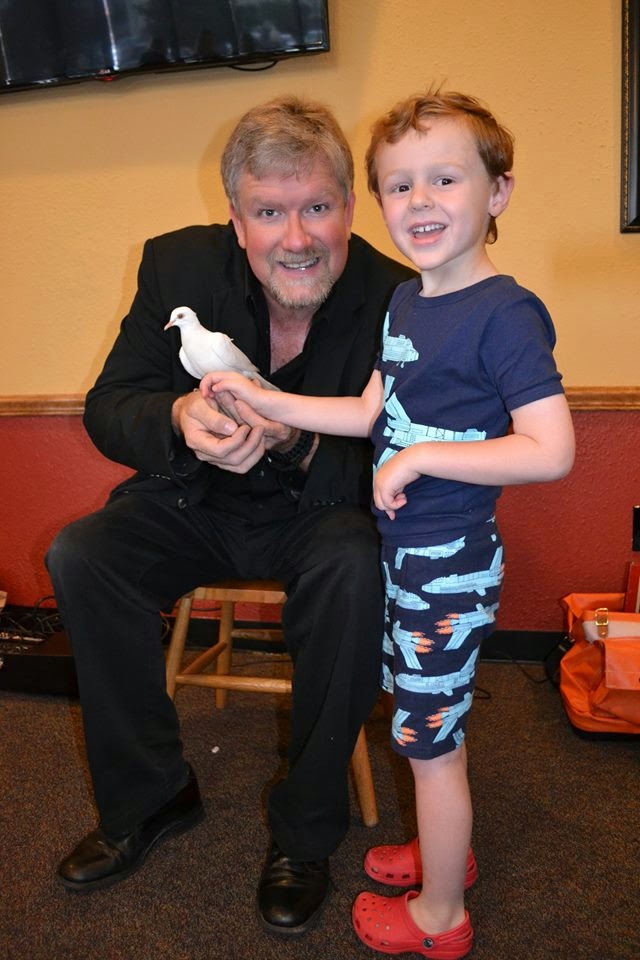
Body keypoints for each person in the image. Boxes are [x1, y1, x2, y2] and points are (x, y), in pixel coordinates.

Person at [200, 90, 576, 958]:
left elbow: (550, 450)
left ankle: (441, 916)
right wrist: (265, 398)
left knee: (428, 745)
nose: (421, 201)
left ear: (499, 191)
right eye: (400, 185)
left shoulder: (505, 313)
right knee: (423, 726)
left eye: (446, 178)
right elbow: (372, 411)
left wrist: (421, 458)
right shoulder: (406, 303)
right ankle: (445, 856)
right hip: (404, 556)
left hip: (448, 565)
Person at [45, 96, 415, 935]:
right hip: (197, 498)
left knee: (354, 565)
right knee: (82, 555)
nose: (297, 237)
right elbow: (111, 407)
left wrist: (301, 445)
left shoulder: (401, 297)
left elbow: (411, 455)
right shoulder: (175, 266)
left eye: (317, 207)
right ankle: (150, 797)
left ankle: (305, 833)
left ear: (350, 209)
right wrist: (177, 418)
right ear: (237, 220)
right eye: (270, 212)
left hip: (323, 509)